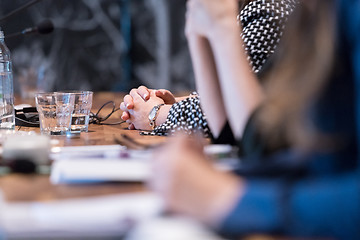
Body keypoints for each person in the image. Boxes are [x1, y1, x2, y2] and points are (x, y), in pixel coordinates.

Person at [149, 0, 360, 239]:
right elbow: (267, 143)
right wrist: (203, 28)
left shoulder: (271, 10)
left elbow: (258, 141)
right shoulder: (316, 12)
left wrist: (225, 197)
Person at [120, 0, 298, 139]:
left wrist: (155, 114)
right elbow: (234, 97)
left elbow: (238, 120)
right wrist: (168, 104)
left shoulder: (270, 10)